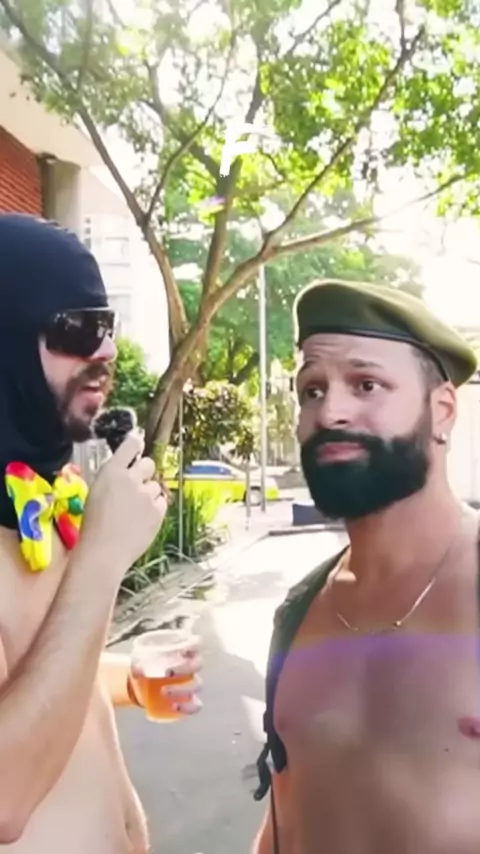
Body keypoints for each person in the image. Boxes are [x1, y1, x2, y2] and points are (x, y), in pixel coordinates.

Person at [253, 279, 480, 854]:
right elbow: (285, 818)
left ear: (442, 410)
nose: (330, 412)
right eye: (311, 390)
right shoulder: (298, 612)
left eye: (366, 384)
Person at [0, 214, 201, 853]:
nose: (107, 351)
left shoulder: (35, 504)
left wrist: (127, 681)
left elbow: (40, 677)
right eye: (78, 329)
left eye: (107, 326)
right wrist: (102, 556)